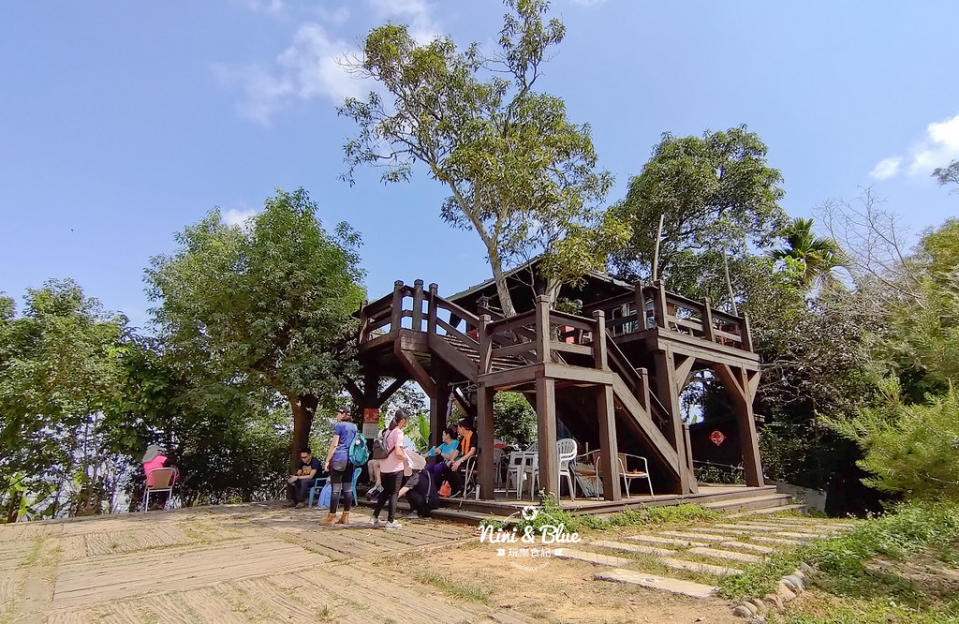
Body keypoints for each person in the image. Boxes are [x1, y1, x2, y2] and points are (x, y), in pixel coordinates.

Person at [370, 410, 409, 529]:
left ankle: (374, 517)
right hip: (395, 468)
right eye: (406, 421)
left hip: (384, 467)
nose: (406, 424)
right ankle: (390, 521)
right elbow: (398, 453)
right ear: (402, 421)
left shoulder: (387, 432)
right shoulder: (398, 433)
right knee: (393, 494)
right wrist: (406, 458)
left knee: (384, 493)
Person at [321, 406, 357, 525]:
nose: (337, 416)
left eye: (338, 413)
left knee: (335, 489)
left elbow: (335, 445)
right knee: (347, 488)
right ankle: (345, 516)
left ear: (342, 414)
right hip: (350, 460)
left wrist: (327, 460)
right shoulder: (354, 427)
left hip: (338, 459)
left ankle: (331, 517)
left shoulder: (339, 426)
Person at [445, 419, 476, 497]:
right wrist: (451, 460)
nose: (458, 431)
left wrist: (460, 461)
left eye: (458, 428)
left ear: (463, 428)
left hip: (471, 461)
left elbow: (472, 451)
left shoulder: (473, 436)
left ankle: (461, 488)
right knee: (447, 467)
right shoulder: (463, 438)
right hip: (464, 461)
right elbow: (457, 451)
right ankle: (455, 489)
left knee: (456, 467)